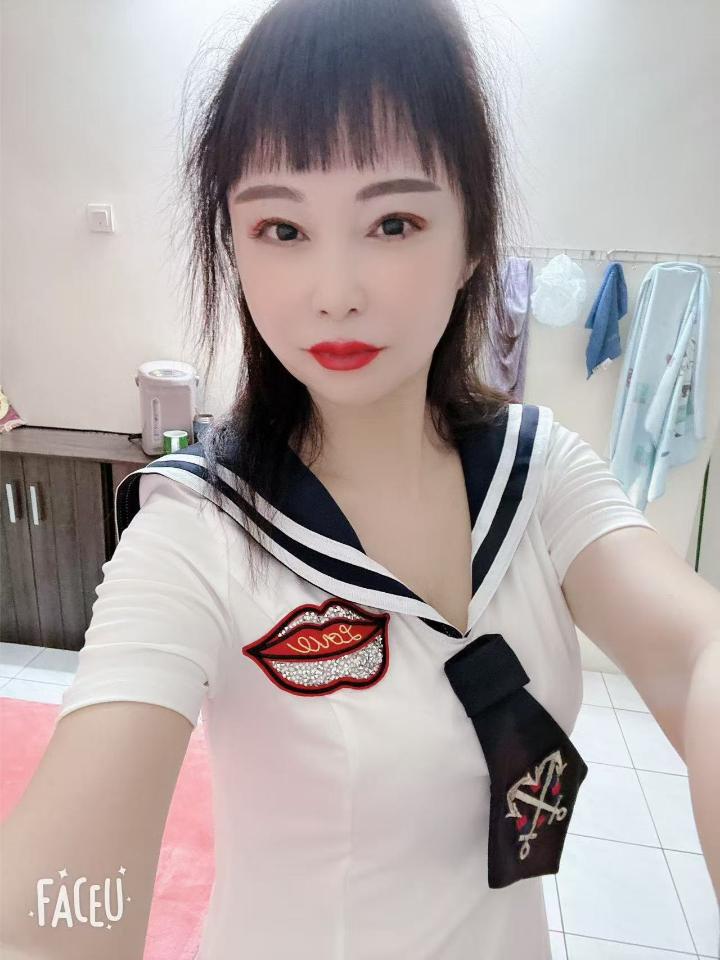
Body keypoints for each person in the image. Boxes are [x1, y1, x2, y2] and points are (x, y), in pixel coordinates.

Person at [4, 1, 717, 958]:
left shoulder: (540, 469)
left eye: (392, 221)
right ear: (234, 247)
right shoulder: (198, 528)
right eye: (281, 229)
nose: (335, 290)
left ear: (472, 240)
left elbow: (694, 652)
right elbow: (58, 899)